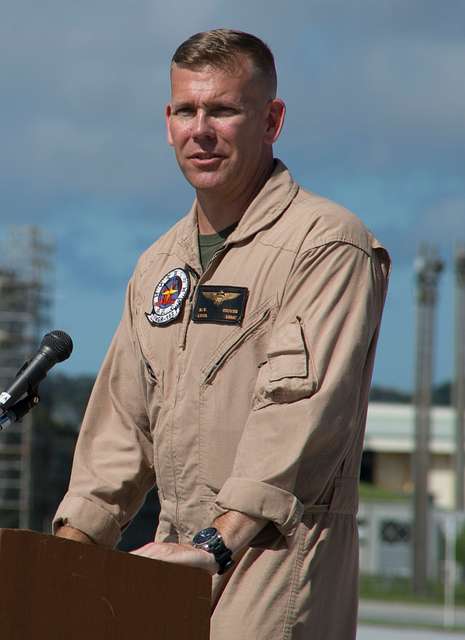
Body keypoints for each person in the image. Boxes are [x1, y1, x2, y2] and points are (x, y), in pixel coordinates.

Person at [54, 29, 390, 640]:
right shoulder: (159, 264)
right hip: (171, 569)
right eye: (187, 110)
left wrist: (217, 545)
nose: (200, 130)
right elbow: (120, 432)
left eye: (223, 110)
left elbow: (297, 423)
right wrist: (65, 556)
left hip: (274, 569)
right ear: (168, 121)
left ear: (272, 120)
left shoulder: (327, 245)